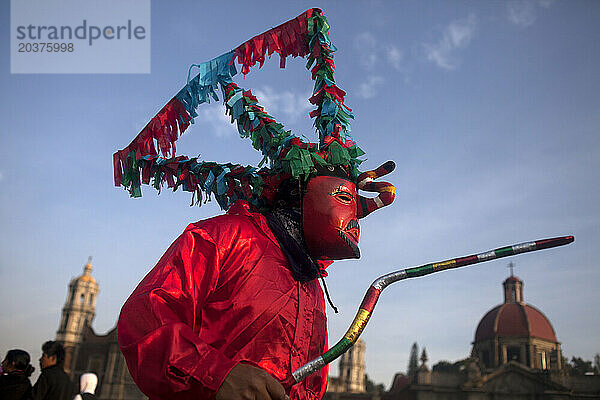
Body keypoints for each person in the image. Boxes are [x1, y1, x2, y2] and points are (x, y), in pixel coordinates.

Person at [114, 9, 395, 400]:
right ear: (305, 193)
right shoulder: (225, 239)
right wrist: (217, 375)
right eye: (345, 198)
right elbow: (145, 320)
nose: (356, 220)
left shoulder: (312, 284)